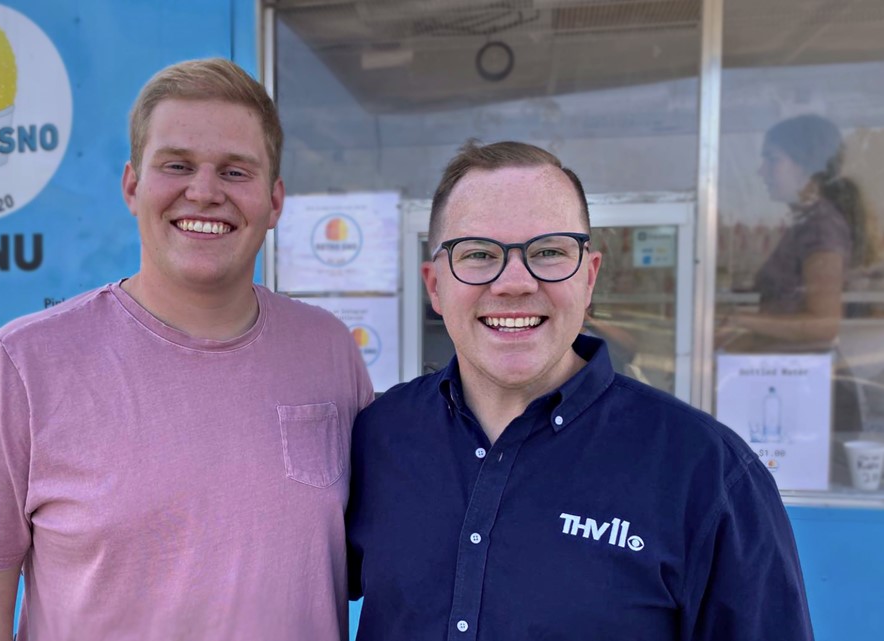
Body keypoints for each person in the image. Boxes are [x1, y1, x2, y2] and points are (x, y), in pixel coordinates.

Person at [0, 58, 373, 640]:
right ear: (132, 186)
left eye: (235, 172)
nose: (203, 192)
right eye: (177, 165)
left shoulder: (328, 351)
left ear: (275, 202)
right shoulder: (25, 364)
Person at [346, 140, 813, 640]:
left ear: (589, 278)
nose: (514, 283)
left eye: (548, 252)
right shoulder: (378, 437)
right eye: (479, 254)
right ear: (435, 285)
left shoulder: (707, 473)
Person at [722, 114, 878, 352]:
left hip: (801, 374)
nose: (761, 172)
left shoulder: (821, 228)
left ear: (806, 166)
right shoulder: (807, 221)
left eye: (772, 160)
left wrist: (739, 320)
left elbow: (824, 324)